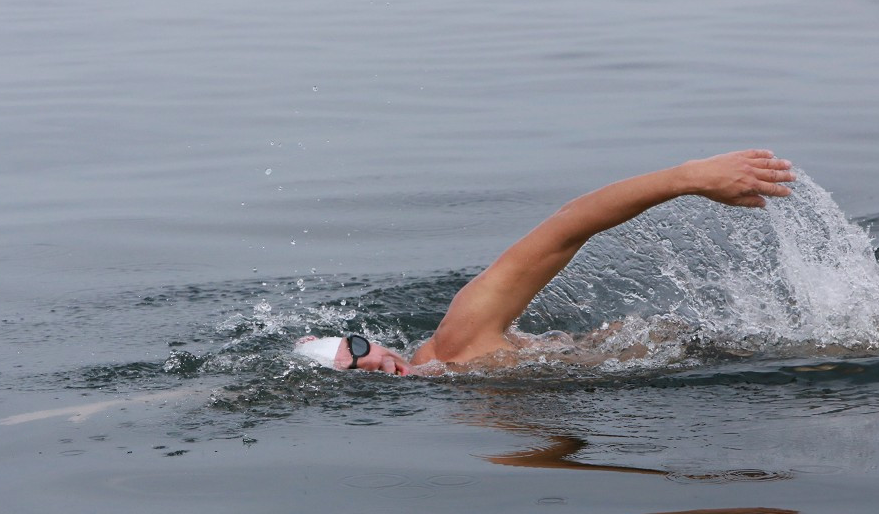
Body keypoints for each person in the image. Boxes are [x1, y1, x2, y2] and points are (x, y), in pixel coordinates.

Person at [294, 149, 796, 375]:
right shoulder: (447, 370)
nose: (373, 361)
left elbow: (566, 226)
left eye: (358, 345)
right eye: (358, 370)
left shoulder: (455, 341)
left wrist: (689, 177)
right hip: (702, 354)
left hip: (715, 352)